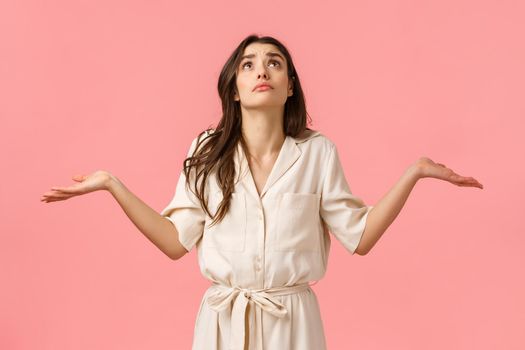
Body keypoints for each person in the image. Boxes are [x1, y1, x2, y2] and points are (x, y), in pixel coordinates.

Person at [41, 34, 483, 350]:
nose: (261, 71)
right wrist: (112, 185)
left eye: (274, 62)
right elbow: (176, 241)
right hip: (222, 324)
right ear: (234, 88)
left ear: (289, 86)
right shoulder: (206, 151)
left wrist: (415, 173)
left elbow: (360, 236)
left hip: (294, 324)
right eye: (248, 64)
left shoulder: (316, 153)